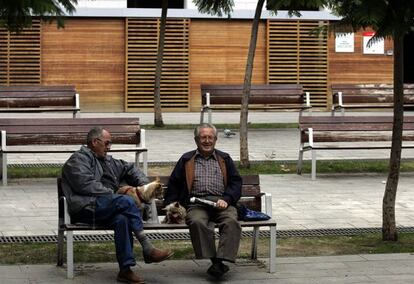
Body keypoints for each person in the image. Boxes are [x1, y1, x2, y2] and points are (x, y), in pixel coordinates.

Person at [61, 127, 173, 284]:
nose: (109, 147)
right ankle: (147, 248)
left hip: (105, 208)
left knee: (122, 219)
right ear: (94, 142)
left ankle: (125, 270)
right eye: (107, 143)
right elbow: (86, 186)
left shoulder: (107, 160)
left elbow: (130, 168)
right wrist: (116, 193)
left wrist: (145, 187)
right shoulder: (77, 161)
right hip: (84, 209)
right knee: (126, 201)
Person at [164, 123, 242, 279]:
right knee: (197, 221)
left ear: (215, 139)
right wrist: (172, 206)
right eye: (203, 137)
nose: (207, 141)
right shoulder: (186, 159)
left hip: (221, 203)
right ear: (196, 140)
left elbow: (236, 182)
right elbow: (174, 183)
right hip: (196, 203)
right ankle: (216, 262)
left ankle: (219, 261)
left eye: (210, 137)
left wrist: (226, 199)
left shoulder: (224, 158)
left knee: (232, 221)